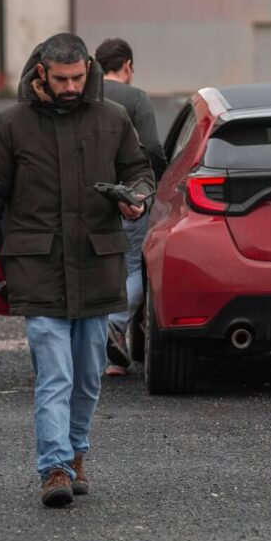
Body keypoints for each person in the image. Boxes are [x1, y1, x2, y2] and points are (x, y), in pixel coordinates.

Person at [0, 33, 154, 508]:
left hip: (97, 265)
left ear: (88, 69)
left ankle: (77, 452)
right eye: (61, 79)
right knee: (55, 372)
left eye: (78, 78)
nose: (70, 87)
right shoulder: (11, 125)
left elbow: (140, 171)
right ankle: (54, 467)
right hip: (38, 267)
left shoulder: (114, 118)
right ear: (41, 71)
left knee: (87, 375)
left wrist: (137, 200)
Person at [92, 38, 167, 376]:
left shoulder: (83, 96)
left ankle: (101, 353)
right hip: (126, 196)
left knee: (92, 267)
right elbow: (151, 147)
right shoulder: (136, 99)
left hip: (86, 197)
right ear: (128, 66)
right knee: (134, 266)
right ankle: (114, 325)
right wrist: (156, 184)